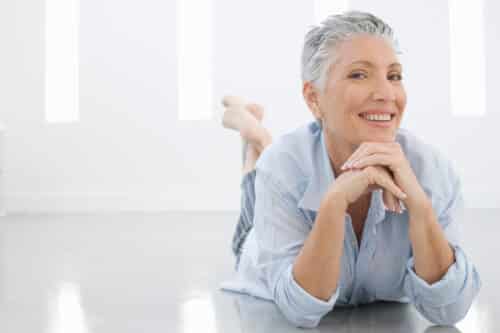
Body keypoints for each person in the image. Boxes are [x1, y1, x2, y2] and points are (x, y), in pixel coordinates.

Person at [219, 11, 481, 329]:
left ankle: (256, 132)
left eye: (394, 76)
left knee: (267, 156)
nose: (386, 94)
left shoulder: (432, 171)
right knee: (256, 174)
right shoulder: (282, 166)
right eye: (359, 75)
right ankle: (251, 129)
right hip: (257, 240)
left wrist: (420, 206)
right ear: (314, 98)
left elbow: (450, 309)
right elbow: (301, 310)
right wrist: (333, 203)